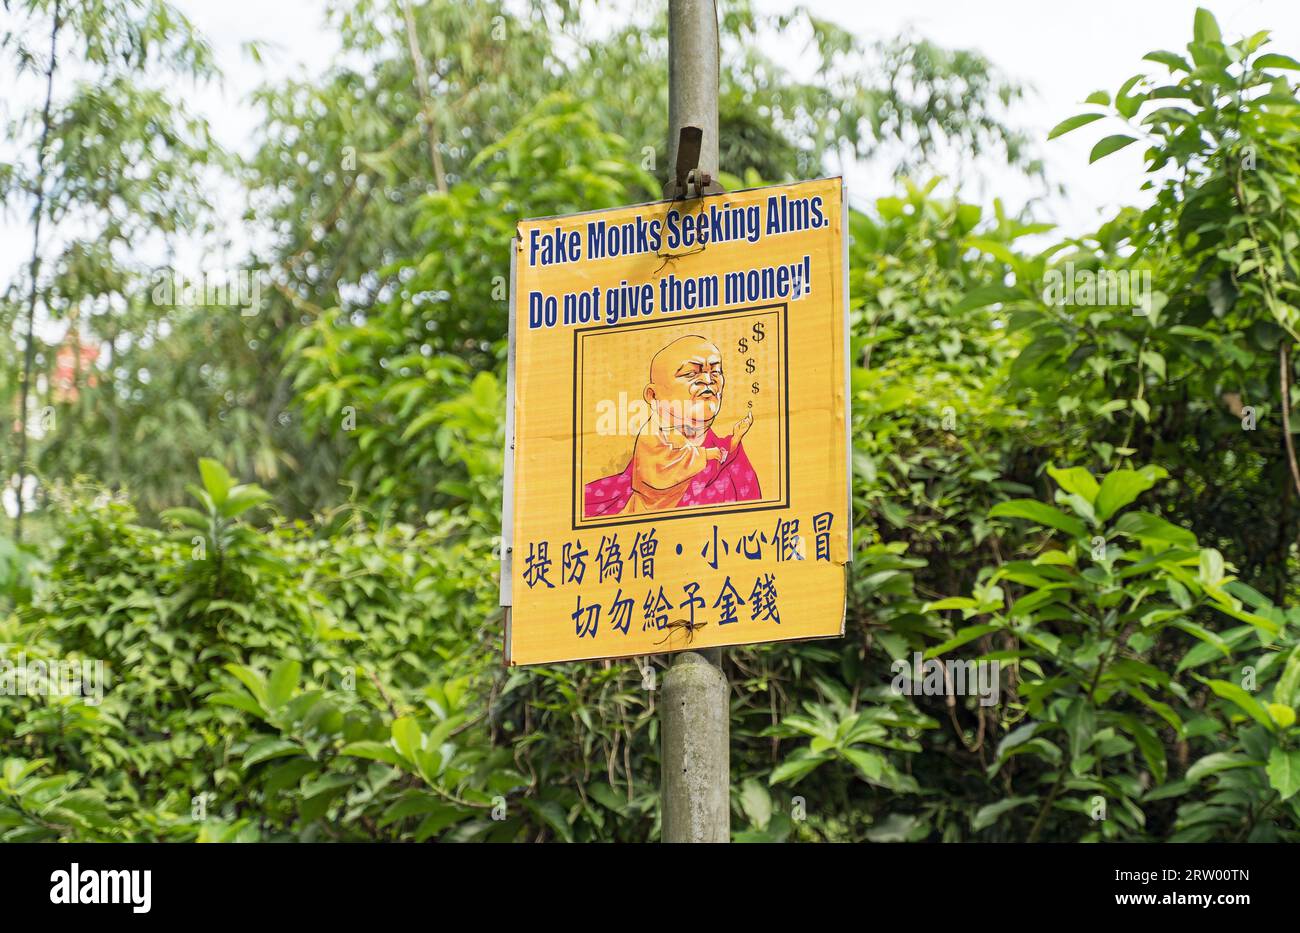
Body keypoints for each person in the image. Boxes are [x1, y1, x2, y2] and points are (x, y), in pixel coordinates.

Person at [584, 334, 760, 517]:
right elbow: (660, 469)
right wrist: (705, 455)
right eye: (691, 373)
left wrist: (735, 439)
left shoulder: (727, 461)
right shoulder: (652, 434)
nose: (708, 380)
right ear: (653, 395)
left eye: (715, 372)